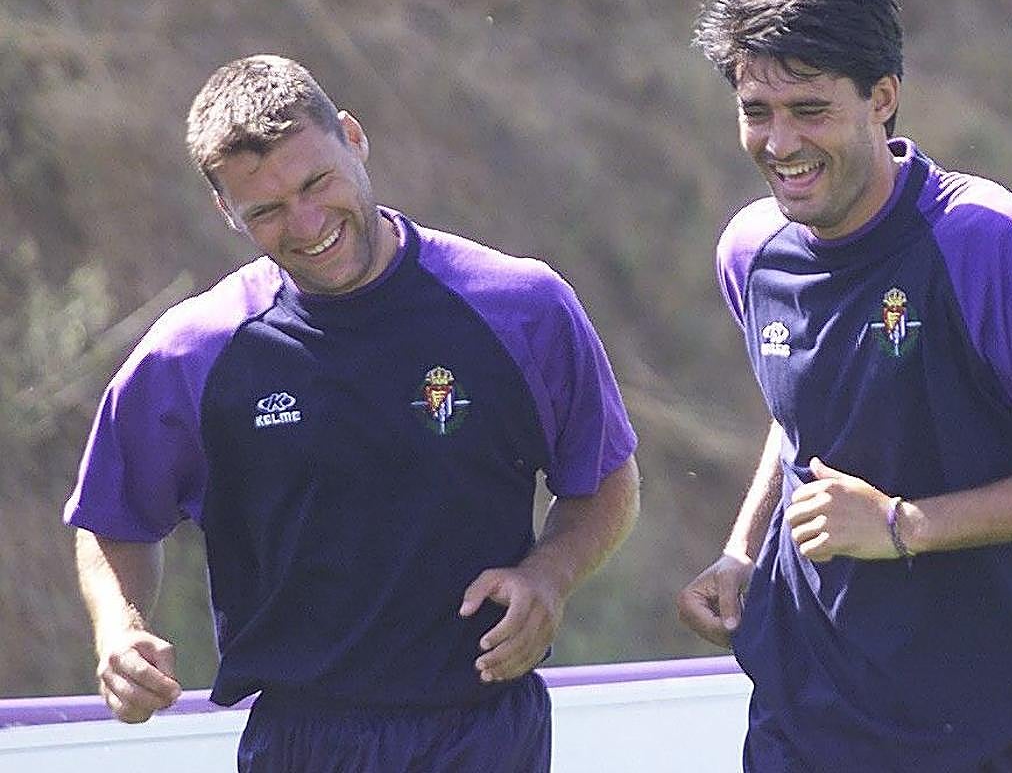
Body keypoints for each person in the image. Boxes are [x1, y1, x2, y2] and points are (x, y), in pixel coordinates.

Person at [64, 54, 640, 772]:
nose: (307, 224)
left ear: (354, 138)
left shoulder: (520, 306)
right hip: (302, 741)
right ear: (226, 212)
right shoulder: (194, 352)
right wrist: (119, 631)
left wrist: (549, 576)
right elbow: (113, 517)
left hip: (485, 730)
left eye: (317, 182)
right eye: (266, 211)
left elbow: (606, 478)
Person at [676, 0, 1012, 773]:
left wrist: (903, 526)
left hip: (1000, 720)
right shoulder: (749, 252)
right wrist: (743, 550)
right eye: (757, 111)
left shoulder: (988, 242)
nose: (780, 143)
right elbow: (804, 411)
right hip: (808, 714)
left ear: (883, 97)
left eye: (810, 109)